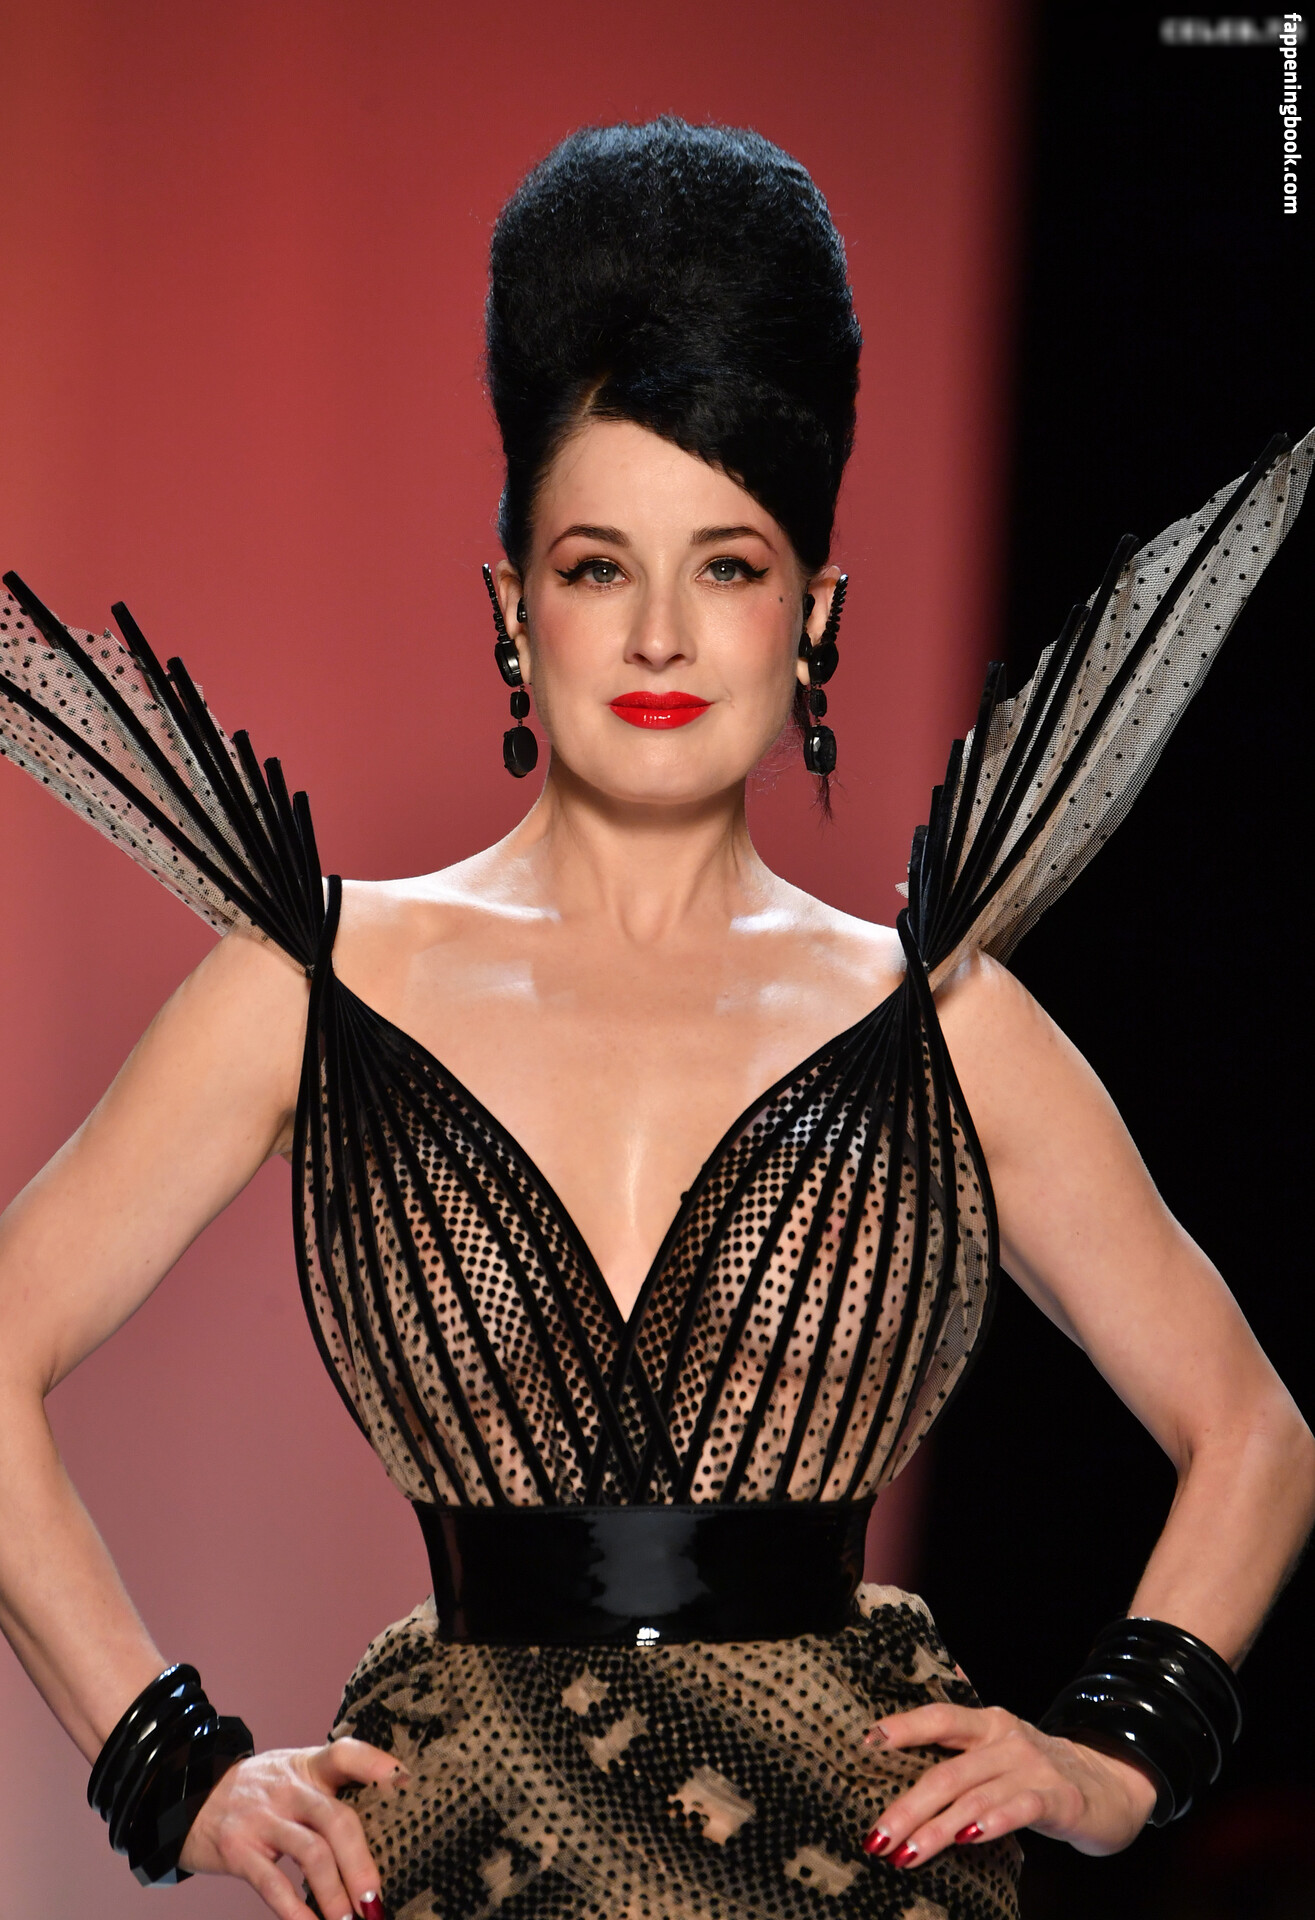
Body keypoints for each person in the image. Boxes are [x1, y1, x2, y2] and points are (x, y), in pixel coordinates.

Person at [0, 117, 1311, 1920]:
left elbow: (1254, 1433)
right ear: (513, 609)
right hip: (461, 1856)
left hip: (860, 1869)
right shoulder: (318, 986)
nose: (662, 636)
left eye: (731, 565)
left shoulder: (941, 1022)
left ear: (816, 616)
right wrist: (175, 1771)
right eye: (599, 565)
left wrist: (1110, 1756)